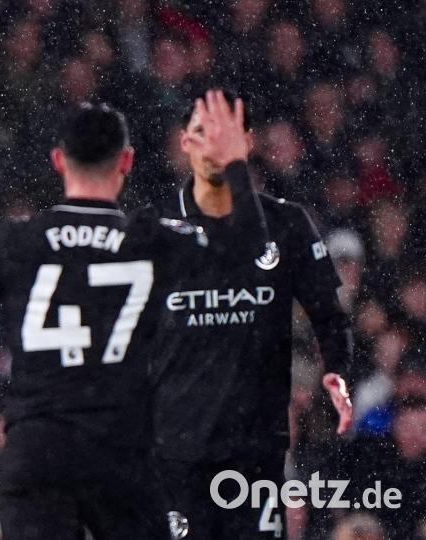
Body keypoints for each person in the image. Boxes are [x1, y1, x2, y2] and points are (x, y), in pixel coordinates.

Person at [0, 91, 264, 540]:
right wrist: (231, 167)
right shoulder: (150, 239)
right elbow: (248, 250)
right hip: (120, 451)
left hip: (38, 450)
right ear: (126, 162)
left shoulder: (16, 240)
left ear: (58, 161)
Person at [147, 91, 354, 540]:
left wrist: (338, 367)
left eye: (227, 135)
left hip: (256, 450)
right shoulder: (153, 229)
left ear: (248, 144)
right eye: (204, 133)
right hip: (176, 452)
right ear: (184, 143)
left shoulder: (287, 224)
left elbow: (329, 314)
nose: (216, 146)